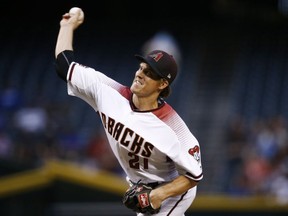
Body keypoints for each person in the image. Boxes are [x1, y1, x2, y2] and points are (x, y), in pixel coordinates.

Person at [54, 8, 203, 216]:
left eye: (149, 73)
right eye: (141, 67)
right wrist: (67, 26)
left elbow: (193, 176)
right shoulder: (108, 92)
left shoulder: (174, 128)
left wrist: (158, 195)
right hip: (140, 185)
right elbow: (64, 65)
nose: (140, 74)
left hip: (173, 191)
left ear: (162, 84)